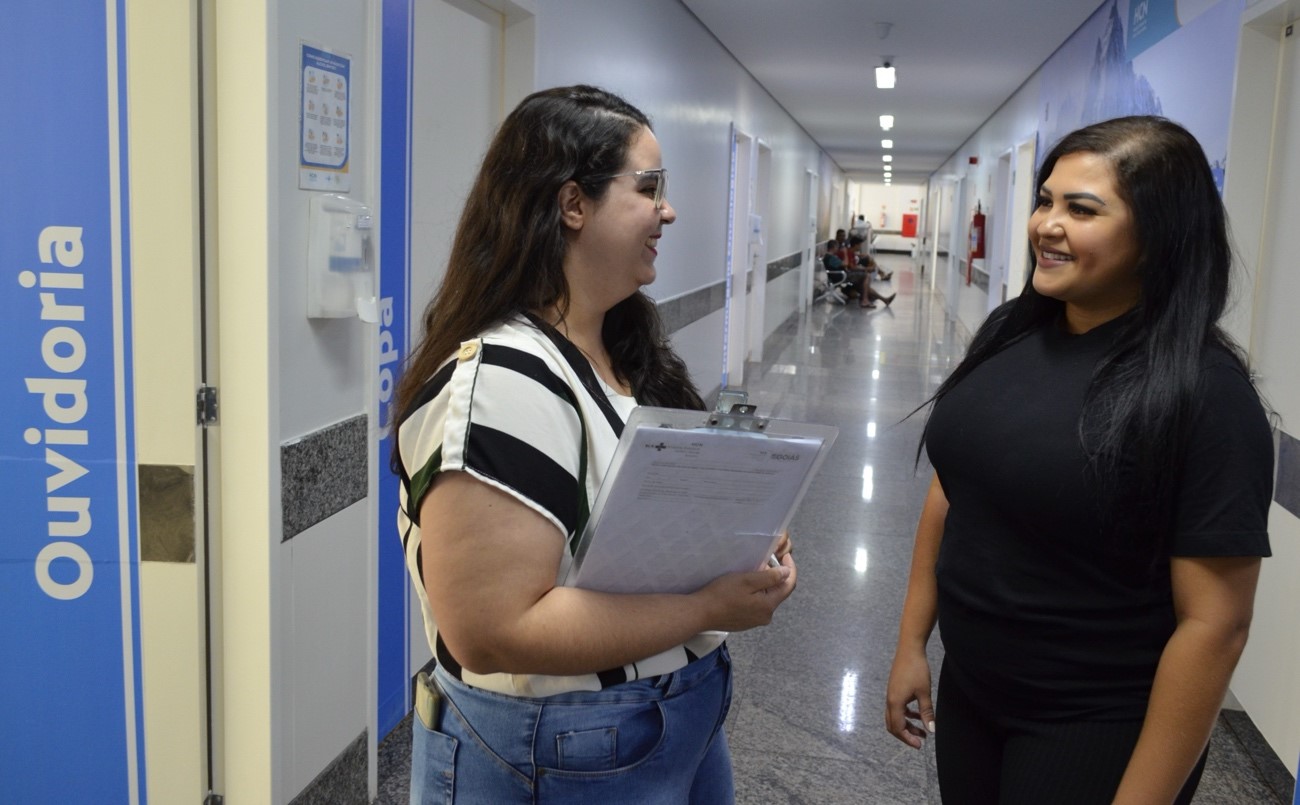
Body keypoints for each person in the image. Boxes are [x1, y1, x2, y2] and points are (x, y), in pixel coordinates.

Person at [392, 85, 797, 804]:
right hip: (563, 744)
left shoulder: (617, 343)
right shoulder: (502, 383)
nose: (668, 210)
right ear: (573, 204)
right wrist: (709, 604)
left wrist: (743, 532)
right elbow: (494, 630)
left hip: (673, 714)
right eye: (649, 188)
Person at [883, 115, 1273, 804]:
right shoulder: (1011, 332)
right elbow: (956, 489)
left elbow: (1216, 625)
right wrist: (914, 641)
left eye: (1081, 209)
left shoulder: (1204, 394)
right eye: (1046, 200)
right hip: (973, 693)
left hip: (1094, 722)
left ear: (1157, 237)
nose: (1046, 224)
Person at [824, 239, 894, 309]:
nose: (838, 249)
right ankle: (865, 300)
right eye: (837, 247)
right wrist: (845, 253)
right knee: (867, 275)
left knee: (862, 286)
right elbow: (845, 264)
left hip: (842, 275)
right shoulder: (830, 257)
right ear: (833, 247)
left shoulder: (831, 256)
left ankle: (884, 300)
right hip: (841, 276)